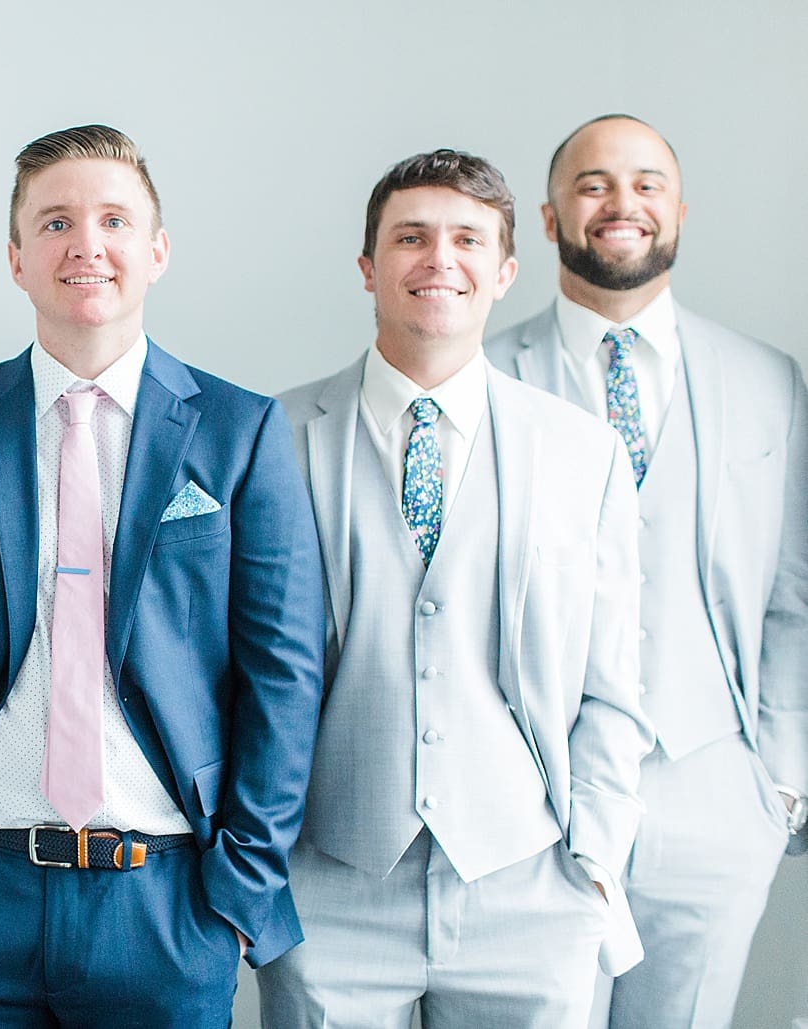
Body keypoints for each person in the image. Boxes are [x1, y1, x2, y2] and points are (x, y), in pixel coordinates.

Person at [0, 123, 325, 1028]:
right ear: (17, 258)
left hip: (165, 904)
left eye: (112, 219)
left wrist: (240, 887)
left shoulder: (240, 431)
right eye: (55, 222)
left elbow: (282, 675)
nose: (86, 244)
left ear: (156, 250)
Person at [258, 148, 653, 1028]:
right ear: (368, 268)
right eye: (410, 237)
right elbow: (228, 666)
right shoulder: (274, 438)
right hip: (326, 887)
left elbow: (613, 682)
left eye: (467, 239)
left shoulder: (582, 451)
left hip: (528, 885)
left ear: (505, 270)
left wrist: (592, 857)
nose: (439, 259)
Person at [486, 113, 808, 1029]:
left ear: (677, 211)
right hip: (537, 803)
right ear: (548, 218)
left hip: (715, 796)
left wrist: (777, 786)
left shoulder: (766, 379)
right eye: (591, 184)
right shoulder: (482, 377)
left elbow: (795, 598)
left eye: (645, 183)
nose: (620, 202)